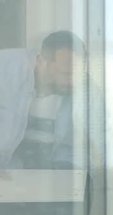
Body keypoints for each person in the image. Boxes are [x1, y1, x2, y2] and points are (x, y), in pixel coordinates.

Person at [0, 30, 86, 169]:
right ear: (42, 61)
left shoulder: (70, 90)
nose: (73, 82)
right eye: (66, 74)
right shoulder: (6, 71)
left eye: (77, 74)